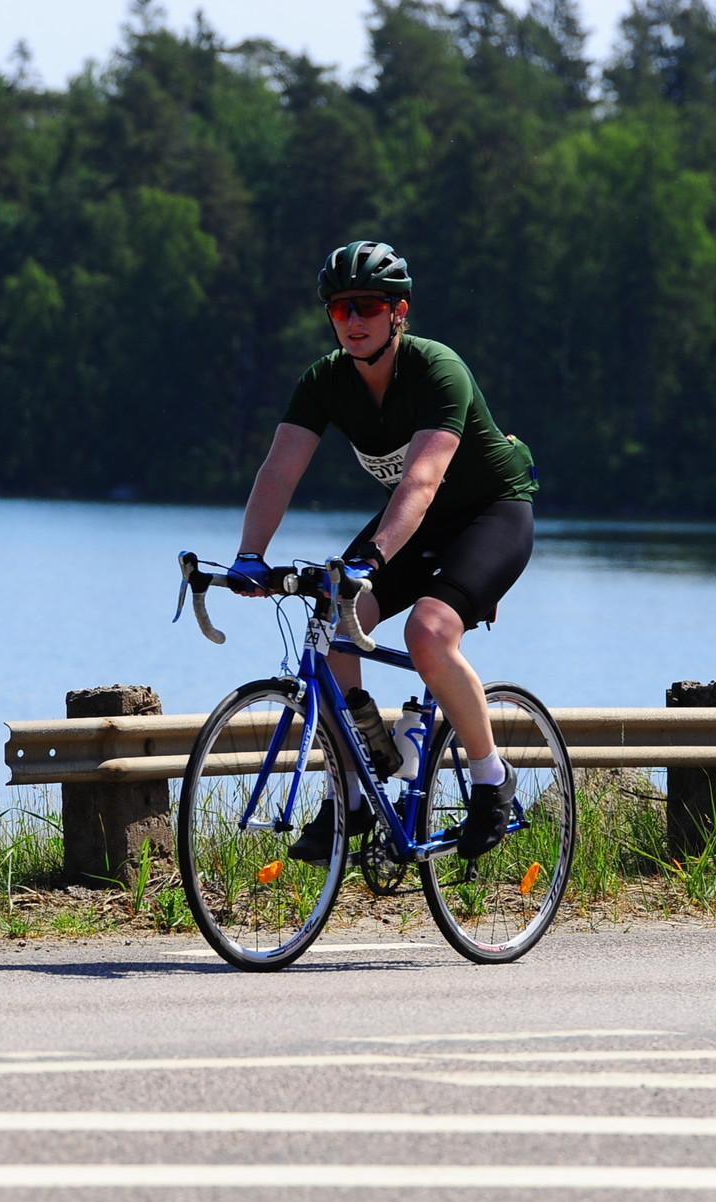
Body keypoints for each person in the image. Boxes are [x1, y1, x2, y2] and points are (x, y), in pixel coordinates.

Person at [230, 240, 537, 863]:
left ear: (399, 311)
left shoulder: (437, 369)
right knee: (331, 623)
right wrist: (249, 556)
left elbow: (421, 481)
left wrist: (370, 559)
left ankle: (492, 779)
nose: (353, 320)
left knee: (428, 632)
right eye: (339, 308)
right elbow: (280, 470)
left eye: (368, 306)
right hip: (414, 524)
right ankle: (354, 792)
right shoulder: (325, 381)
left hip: (490, 514)